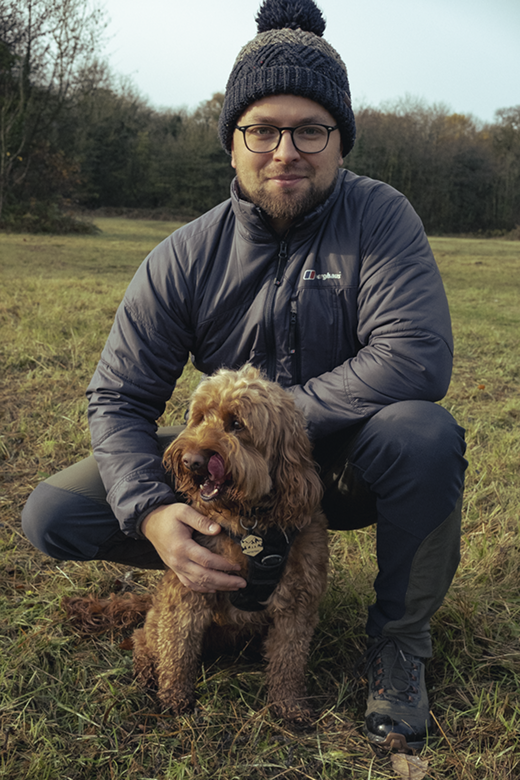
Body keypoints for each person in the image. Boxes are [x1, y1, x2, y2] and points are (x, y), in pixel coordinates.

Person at [22, 0, 467, 752]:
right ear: (233, 141)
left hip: (340, 464)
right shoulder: (185, 255)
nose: (285, 151)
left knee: (423, 434)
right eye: (262, 129)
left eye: (311, 130)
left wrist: (278, 422)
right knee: (53, 514)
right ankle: (219, 570)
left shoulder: (380, 219)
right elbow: (119, 396)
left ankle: (399, 645)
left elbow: (416, 353)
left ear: (340, 142)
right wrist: (152, 513)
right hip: (226, 468)